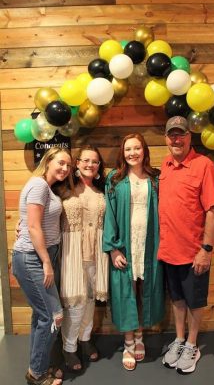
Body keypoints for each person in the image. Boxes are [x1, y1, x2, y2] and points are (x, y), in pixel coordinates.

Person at [158, 116, 214, 374]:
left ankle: (193, 345)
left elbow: (213, 210)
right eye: (172, 135)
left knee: (194, 301)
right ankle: (180, 340)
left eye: (181, 134)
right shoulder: (165, 165)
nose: (176, 139)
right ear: (166, 138)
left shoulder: (204, 165)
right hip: (168, 250)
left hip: (194, 252)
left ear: (189, 137)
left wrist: (206, 250)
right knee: (178, 299)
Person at [103, 133, 165, 371]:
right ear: (123, 152)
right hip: (125, 244)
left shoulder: (156, 178)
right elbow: (109, 214)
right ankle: (128, 342)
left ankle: (139, 336)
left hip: (149, 244)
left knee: (143, 289)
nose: (132, 153)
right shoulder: (115, 179)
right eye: (128, 149)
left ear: (144, 150)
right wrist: (113, 249)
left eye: (137, 148)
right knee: (125, 291)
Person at [12, 147, 73, 385]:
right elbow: (35, 227)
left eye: (68, 165)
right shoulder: (38, 185)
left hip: (41, 255)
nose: (65, 169)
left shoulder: (46, 187)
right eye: (61, 163)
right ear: (48, 161)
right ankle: (36, 375)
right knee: (54, 316)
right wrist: (46, 262)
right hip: (33, 258)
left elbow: (31, 220)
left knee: (41, 316)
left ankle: (38, 366)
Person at [59, 145, 109, 371]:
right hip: (71, 254)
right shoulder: (62, 190)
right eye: (86, 160)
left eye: (95, 161)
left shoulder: (102, 192)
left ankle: (85, 338)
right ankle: (69, 347)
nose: (90, 165)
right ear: (77, 163)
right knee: (75, 304)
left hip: (96, 254)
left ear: (99, 166)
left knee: (90, 301)